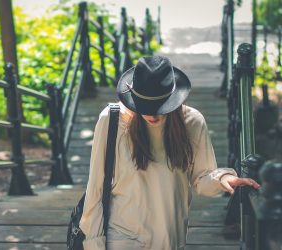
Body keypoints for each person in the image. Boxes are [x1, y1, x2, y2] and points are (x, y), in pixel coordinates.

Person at [79, 56, 261, 250]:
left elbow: (201, 179)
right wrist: (93, 243)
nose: (153, 114)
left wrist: (222, 178)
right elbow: (96, 185)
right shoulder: (112, 120)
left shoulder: (192, 122)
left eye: (160, 106)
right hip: (122, 236)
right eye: (145, 106)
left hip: (170, 238)